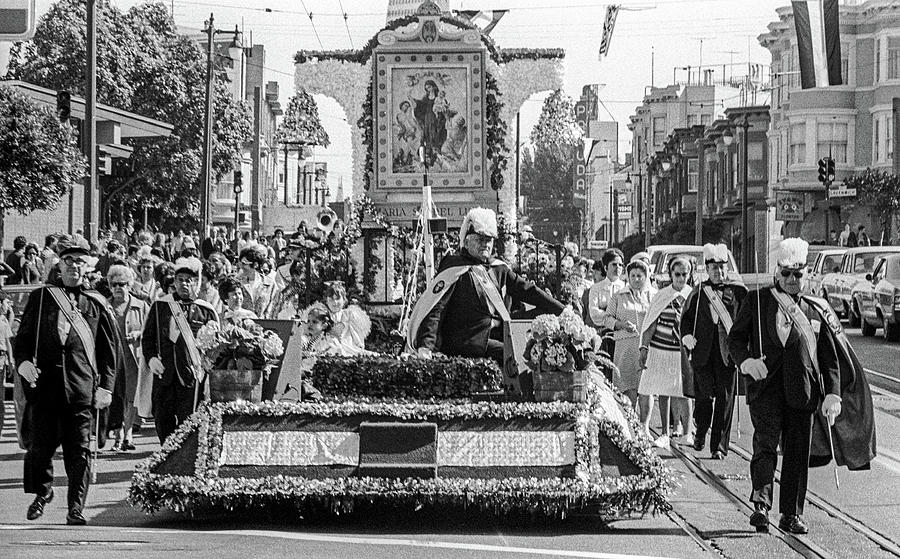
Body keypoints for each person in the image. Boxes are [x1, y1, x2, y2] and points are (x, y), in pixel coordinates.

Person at [728, 238, 843, 534]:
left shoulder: (817, 309)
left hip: (802, 391)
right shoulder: (758, 300)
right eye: (787, 274)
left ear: (806, 275)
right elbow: (735, 339)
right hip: (765, 387)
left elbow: (830, 356)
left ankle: (791, 514)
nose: (792, 280)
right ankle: (761, 506)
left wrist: (832, 392)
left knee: (796, 454)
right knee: (764, 446)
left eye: (798, 274)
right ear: (777, 273)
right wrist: (746, 362)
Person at [14, 243, 118, 525]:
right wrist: (23, 363)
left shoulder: (96, 303)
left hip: (81, 388)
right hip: (45, 386)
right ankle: (42, 493)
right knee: (40, 449)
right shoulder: (42, 298)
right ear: (59, 266)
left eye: (79, 262)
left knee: (79, 452)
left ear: (88, 268)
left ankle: (75, 507)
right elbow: (22, 339)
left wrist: (106, 387)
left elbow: (109, 350)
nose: (73, 266)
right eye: (68, 261)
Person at [408, 207, 565, 367]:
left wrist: (563, 311)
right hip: (469, 340)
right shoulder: (454, 268)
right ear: (467, 241)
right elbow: (436, 309)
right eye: (480, 239)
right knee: (518, 353)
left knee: (541, 330)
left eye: (489, 240)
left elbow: (529, 291)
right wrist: (425, 347)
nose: (485, 245)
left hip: (501, 332)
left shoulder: (498, 268)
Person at [679, 244, 747, 459]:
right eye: (714, 268)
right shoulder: (699, 293)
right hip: (703, 353)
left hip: (728, 353)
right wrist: (687, 335)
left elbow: (746, 321)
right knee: (705, 397)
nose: (718, 272)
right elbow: (686, 320)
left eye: (721, 267)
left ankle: (719, 446)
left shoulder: (737, 291)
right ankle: (700, 431)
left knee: (725, 400)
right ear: (706, 270)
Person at [142, 257, 219, 443]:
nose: (184, 283)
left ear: (197, 282)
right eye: (180, 279)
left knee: (190, 424)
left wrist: (205, 368)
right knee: (163, 422)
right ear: (174, 282)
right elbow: (148, 337)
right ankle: (165, 461)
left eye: (189, 280)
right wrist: (151, 358)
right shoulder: (160, 306)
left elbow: (216, 347)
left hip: (191, 378)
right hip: (164, 375)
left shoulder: (206, 311)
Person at [638, 256, 694, 448]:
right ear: (671, 274)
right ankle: (664, 432)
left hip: (682, 352)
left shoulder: (693, 295)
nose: (680, 278)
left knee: (684, 392)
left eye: (684, 274)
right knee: (663, 390)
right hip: (660, 349)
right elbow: (650, 322)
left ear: (689, 275)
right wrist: (644, 348)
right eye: (677, 274)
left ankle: (688, 432)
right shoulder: (661, 295)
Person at [106, 265, 149, 452]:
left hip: (132, 356)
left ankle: (128, 433)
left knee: (131, 397)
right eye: (114, 284)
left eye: (122, 284)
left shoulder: (141, 305)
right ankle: (118, 435)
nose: (118, 288)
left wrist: (139, 333)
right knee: (116, 397)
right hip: (112, 357)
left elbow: (150, 329)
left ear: (129, 284)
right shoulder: (104, 306)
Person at [604, 259, 656, 409]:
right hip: (625, 346)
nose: (636, 279)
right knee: (628, 388)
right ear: (627, 277)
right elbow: (607, 318)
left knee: (646, 388)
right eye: (632, 276)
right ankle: (631, 424)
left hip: (646, 345)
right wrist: (621, 325)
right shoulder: (619, 296)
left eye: (639, 276)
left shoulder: (653, 296)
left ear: (646, 277)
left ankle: (645, 427)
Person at [324, 281, 370, 352]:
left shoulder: (347, 315)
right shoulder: (325, 315)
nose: (335, 302)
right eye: (331, 299)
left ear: (344, 300)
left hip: (347, 344)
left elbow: (352, 330)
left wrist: (358, 343)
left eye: (338, 299)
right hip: (330, 344)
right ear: (326, 301)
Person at [586, 248, 626, 329]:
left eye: (620, 265)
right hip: (601, 331)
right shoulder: (596, 288)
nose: (618, 267)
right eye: (614, 264)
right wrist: (612, 319)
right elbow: (594, 313)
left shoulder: (626, 287)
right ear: (605, 267)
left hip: (623, 331)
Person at [237, 245, 276, 318]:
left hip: (265, 324)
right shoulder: (238, 283)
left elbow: (273, 307)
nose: (241, 267)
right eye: (241, 263)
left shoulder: (270, 284)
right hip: (243, 324)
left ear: (255, 265)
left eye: (244, 263)